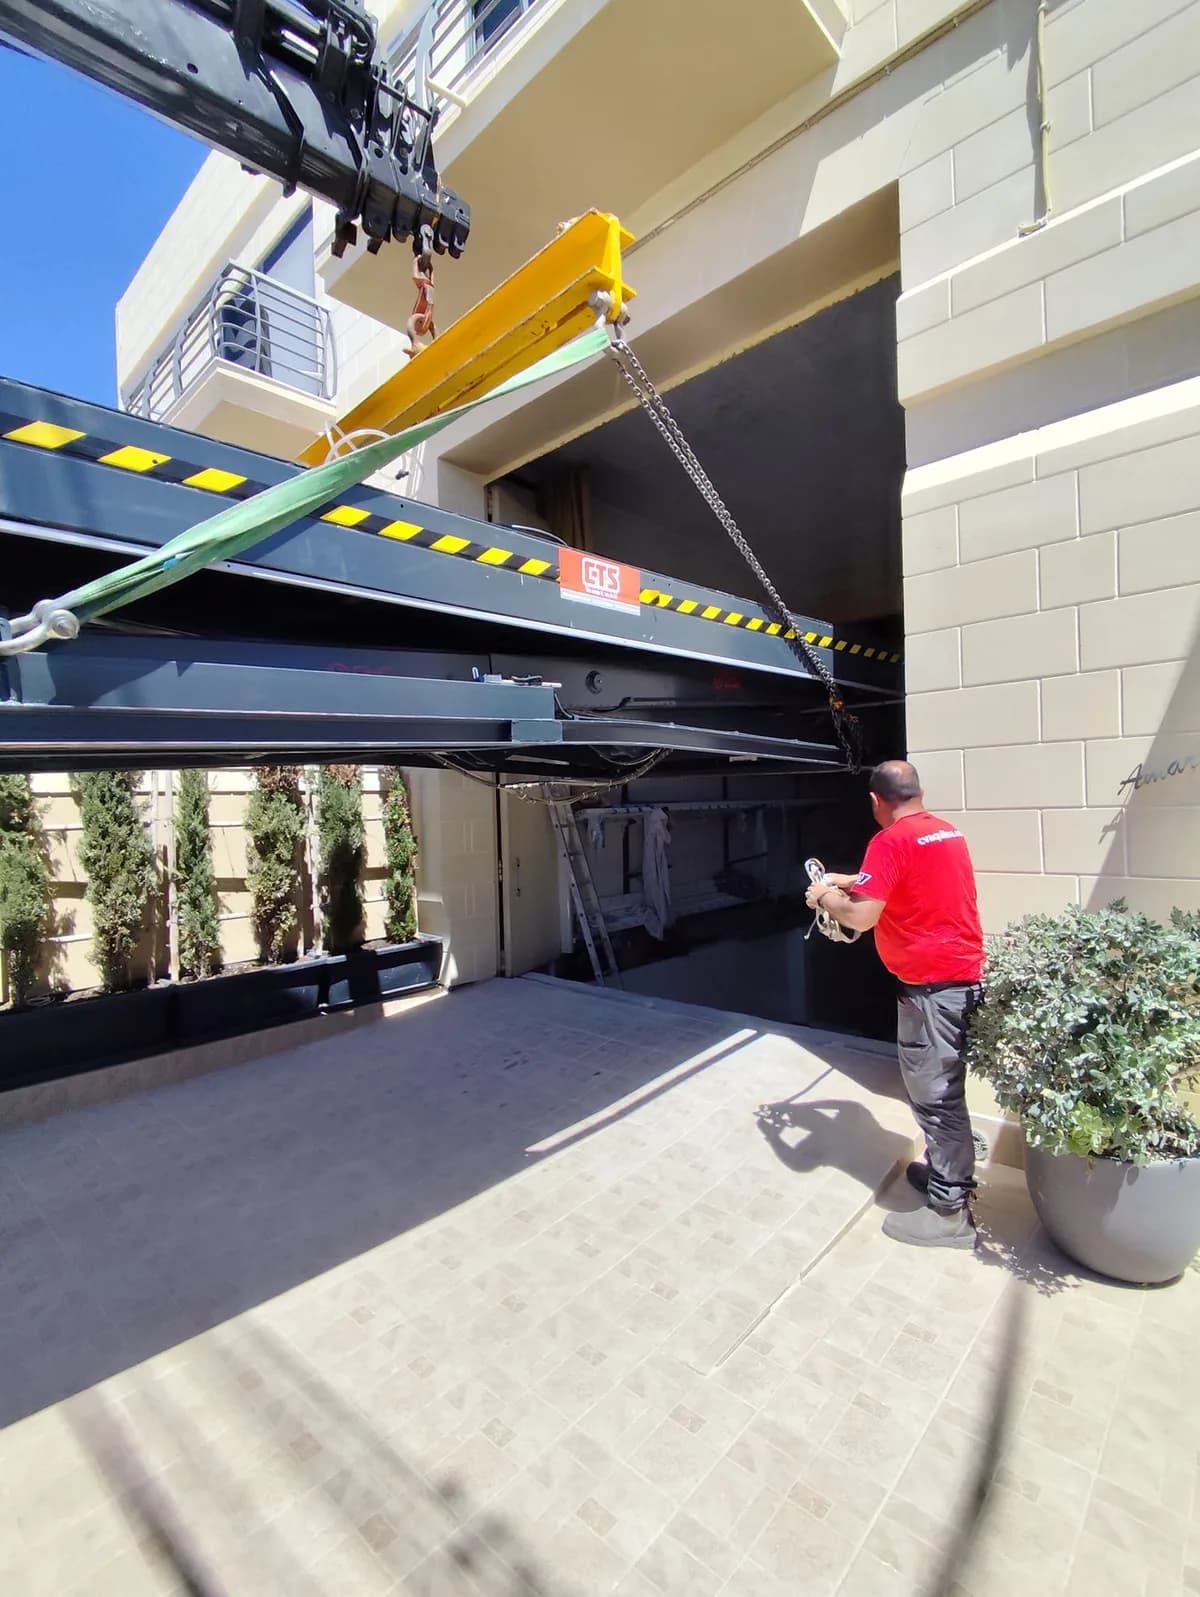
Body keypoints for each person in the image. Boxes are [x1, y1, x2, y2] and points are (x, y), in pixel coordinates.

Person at [804, 759, 985, 1250]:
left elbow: (861, 917)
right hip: (957, 980)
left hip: (931, 990)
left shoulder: (888, 841)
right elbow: (903, 883)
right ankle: (948, 1175)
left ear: (875, 802)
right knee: (944, 1087)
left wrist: (824, 896)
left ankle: (950, 1214)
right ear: (918, 792)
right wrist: (850, 878)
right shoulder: (945, 832)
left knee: (935, 1095)